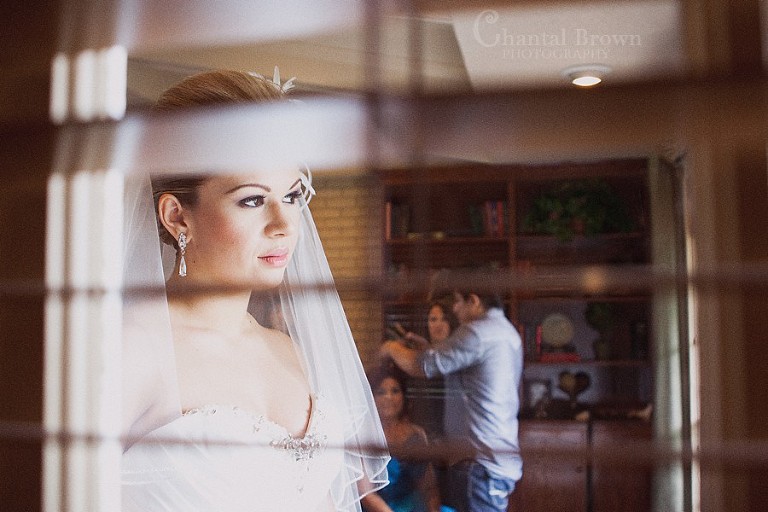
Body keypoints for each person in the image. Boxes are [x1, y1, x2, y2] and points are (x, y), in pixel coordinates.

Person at [120, 69, 388, 511]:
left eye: (293, 196)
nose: (284, 225)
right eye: (251, 199)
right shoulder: (133, 350)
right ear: (177, 217)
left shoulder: (289, 351)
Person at [379, 280, 523, 512]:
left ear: (473, 301)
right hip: (496, 461)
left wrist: (391, 348)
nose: (454, 309)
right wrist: (429, 347)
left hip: (478, 464)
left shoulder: (477, 332)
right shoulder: (506, 332)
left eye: (457, 301)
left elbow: (423, 366)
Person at [362, 368, 446, 512]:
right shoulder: (363, 435)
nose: (389, 397)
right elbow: (367, 495)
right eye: (381, 392)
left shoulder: (417, 434)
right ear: (371, 397)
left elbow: (429, 487)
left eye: (395, 391)